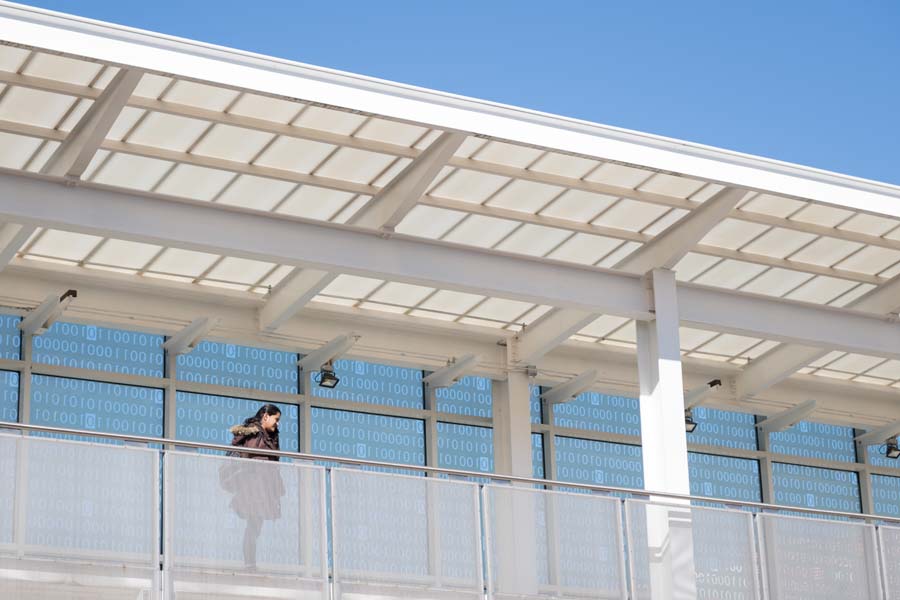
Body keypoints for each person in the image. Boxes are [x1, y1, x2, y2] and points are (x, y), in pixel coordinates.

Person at [222, 404, 286, 569]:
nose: (277, 423)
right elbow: (249, 455)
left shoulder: (267, 436)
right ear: (266, 416)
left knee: (255, 527)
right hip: (254, 486)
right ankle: (250, 563)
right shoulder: (254, 433)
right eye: (276, 419)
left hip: (262, 487)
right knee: (253, 526)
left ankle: (250, 562)